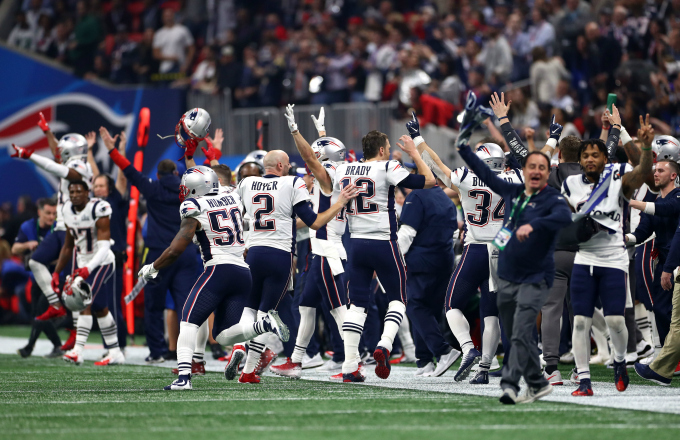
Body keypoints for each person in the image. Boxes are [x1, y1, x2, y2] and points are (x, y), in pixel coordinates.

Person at [456, 93, 572, 404]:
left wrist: (533, 226)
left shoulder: (552, 199)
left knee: (520, 330)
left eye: (540, 168)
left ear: (547, 173)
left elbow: (562, 217)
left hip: (535, 276)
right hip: (505, 272)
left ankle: (509, 385)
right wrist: (462, 147)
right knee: (512, 329)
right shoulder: (512, 189)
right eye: (530, 167)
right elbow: (482, 174)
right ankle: (538, 381)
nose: (535, 171)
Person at [137, 166, 289, 390]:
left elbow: (175, 250)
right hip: (242, 272)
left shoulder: (193, 206)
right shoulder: (231, 194)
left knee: (188, 321)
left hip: (218, 270)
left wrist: (153, 266)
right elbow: (215, 177)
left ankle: (184, 378)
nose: (183, 189)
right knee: (224, 335)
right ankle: (264, 324)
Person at [416, 108, 525, 382]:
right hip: (504, 250)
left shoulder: (467, 178)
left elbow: (437, 165)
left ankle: (467, 349)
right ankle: (484, 368)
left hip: (476, 248)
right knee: (491, 312)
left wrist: (418, 140)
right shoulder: (515, 178)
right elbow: (520, 155)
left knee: (451, 304)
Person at [236, 150, 357, 383]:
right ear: (281, 166)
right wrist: (340, 203)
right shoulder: (293, 183)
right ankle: (251, 369)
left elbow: (236, 214)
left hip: (254, 253)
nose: (294, 168)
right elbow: (315, 221)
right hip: (281, 255)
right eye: (289, 164)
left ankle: (241, 348)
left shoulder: (247, 182)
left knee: (250, 309)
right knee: (268, 312)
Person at [561, 116, 655, 397]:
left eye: (595, 154)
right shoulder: (571, 184)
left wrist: (647, 149)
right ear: (580, 160)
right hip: (584, 259)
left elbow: (645, 174)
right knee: (580, 321)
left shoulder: (618, 177)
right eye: (586, 155)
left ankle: (620, 362)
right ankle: (584, 380)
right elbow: (567, 220)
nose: (590, 159)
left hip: (614, 258)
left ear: (605, 158)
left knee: (615, 321)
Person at [333, 129, 435, 382]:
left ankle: (349, 366)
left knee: (356, 305)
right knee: (398, 299)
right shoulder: (387, 166)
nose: (389, 151)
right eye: (387, 147)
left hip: (355, 244)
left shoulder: (344, 169)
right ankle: (386, 345)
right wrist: (414, 154)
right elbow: (428, 181)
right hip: (383, 242)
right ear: (381, 150)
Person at [103, 116, 202, 364]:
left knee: (154, 307)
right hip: (187, 251)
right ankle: (190, 355)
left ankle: (157, 351)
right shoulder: (186, 189)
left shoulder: (152, 187)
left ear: (158, 174)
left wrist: (112, 150)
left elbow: (129, 171)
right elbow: (200, 176)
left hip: (158, 253)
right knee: (187, 307)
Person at [270, 106, 350, 379]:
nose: (311, 159)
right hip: (320, 250)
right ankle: (296, 360)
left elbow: (311, 157)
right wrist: (322, 134)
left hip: (327, 249)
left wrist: (295, 130)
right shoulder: (336, 170)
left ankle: (353, 363)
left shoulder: (328, 177)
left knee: (339, 310)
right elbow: (321, 157)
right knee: (306, 307)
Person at [12, 121, 94, 356]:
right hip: (62, 227)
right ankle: (56, 305)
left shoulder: (79, 166)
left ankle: (77, 335)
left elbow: (58, 167)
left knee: (75, 283)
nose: (60, 153)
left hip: (74, 228)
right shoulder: (72, 162)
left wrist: (30, 155)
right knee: (36, 261)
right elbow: (58, 158)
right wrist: (48, 131)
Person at [394, 129, 459, 378]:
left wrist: (394, 260)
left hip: (422, 262)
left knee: (416, 307)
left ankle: (442, 351)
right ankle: (424, 361)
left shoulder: (417, 197)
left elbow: (407, 234)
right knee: (430, 309)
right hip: (443, 261)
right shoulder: (444, 199)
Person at [52, 180, 124, 366]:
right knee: (100, 307)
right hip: (83, 263)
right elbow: (68, 246)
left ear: (87, 192)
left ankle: (77, 350)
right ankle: (115, 352)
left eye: (78, 191)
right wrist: (56, 272)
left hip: (102, 261)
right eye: (72, 191)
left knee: (83, 298)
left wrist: (87, 269)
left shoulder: (98, 209)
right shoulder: (67, 210)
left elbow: (105, 245)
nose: (75, 194)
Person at [627, 156, 680, 348]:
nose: (655, 174)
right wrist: (626, 239)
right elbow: (642, 232)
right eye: (655, 171)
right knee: (660, 308)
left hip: (676, 259)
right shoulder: (655, 200)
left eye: (661, 171)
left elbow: (667, 209)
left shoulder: (677, 196)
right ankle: (670, 356)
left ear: (673, 175)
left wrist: (633, 203)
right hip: (665, 260)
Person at [12, 198, 62, 358]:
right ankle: (57, 346)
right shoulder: (28, 226)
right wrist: (28, 245)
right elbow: (14, 248)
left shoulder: (59, 228)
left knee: (41, 312)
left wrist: (45, 257)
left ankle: (30, 346)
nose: (51, 217)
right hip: (37, 278)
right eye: (48, 213)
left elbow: (66, 254)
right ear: (39, 212)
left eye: (54, 213)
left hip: (56, 278)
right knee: (37, 314)